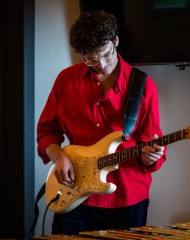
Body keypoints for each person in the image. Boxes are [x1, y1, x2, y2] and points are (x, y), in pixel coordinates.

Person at [37, 11, 166, 235]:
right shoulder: (65, 81)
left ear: (115, 41)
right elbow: (47, 131)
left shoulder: (143, 86)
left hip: (126, 198)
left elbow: (151, 148)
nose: (102, 65)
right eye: (91, 59)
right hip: (73, 194)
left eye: (106, 54)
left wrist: (150, 156)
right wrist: (59, 157)